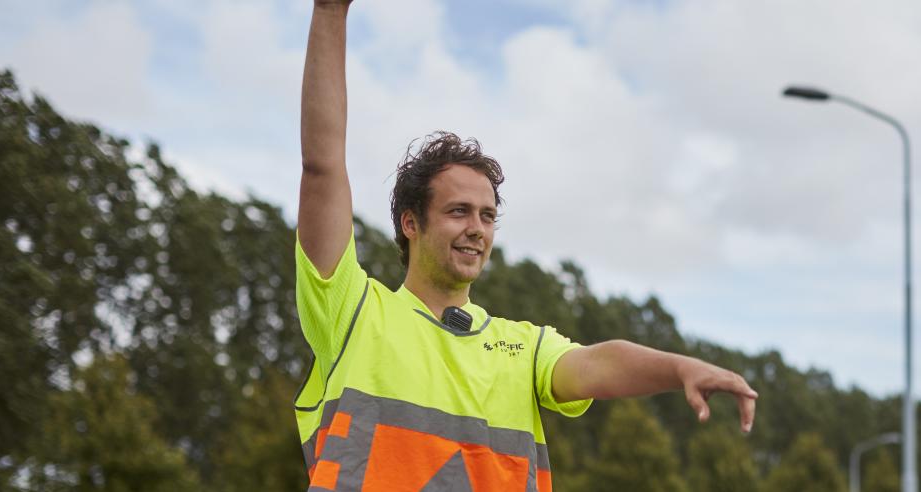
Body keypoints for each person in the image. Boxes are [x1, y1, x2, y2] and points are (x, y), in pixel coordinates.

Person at [293, 1, 758, 490]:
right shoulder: (353, 313)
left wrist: (679, 367)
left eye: (488, 215)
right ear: (410, 223)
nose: (477, 228)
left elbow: (599, 363)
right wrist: (330, 11)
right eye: (458, 211)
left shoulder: (523, 347)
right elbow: (322, 168)